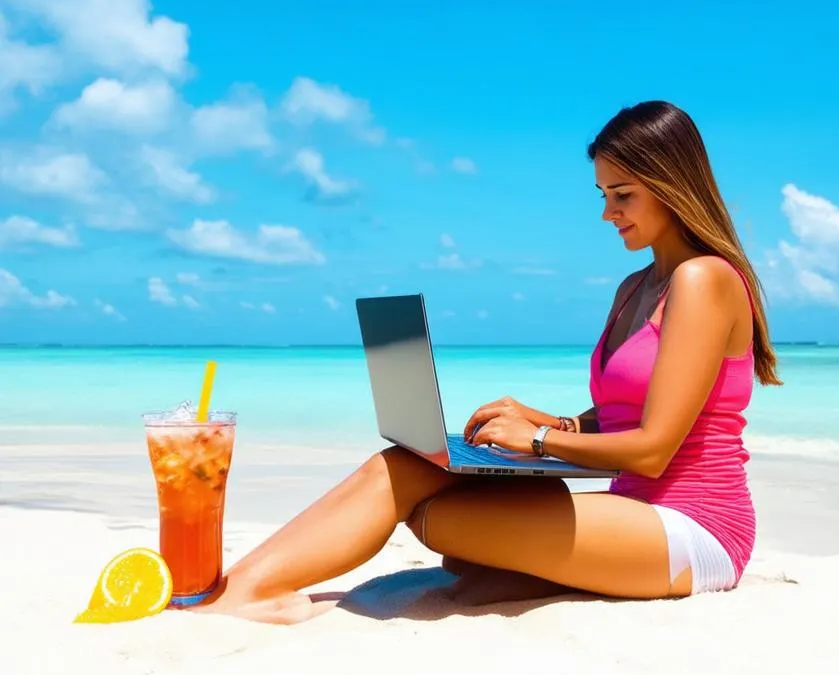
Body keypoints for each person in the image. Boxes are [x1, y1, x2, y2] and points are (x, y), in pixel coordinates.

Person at [201, 100, 781, 623]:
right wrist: (551, 421)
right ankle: (243, 586)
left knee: (443, 520)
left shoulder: (704, 280)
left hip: (697, 527)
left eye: (623, 194)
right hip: (632, 511)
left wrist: (535, 444)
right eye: (603, 195)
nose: (608, 213)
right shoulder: (636, 286)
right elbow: (622, 414)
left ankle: (242, 592)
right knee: (405, 468)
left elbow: (653, 450)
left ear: (670, 185)